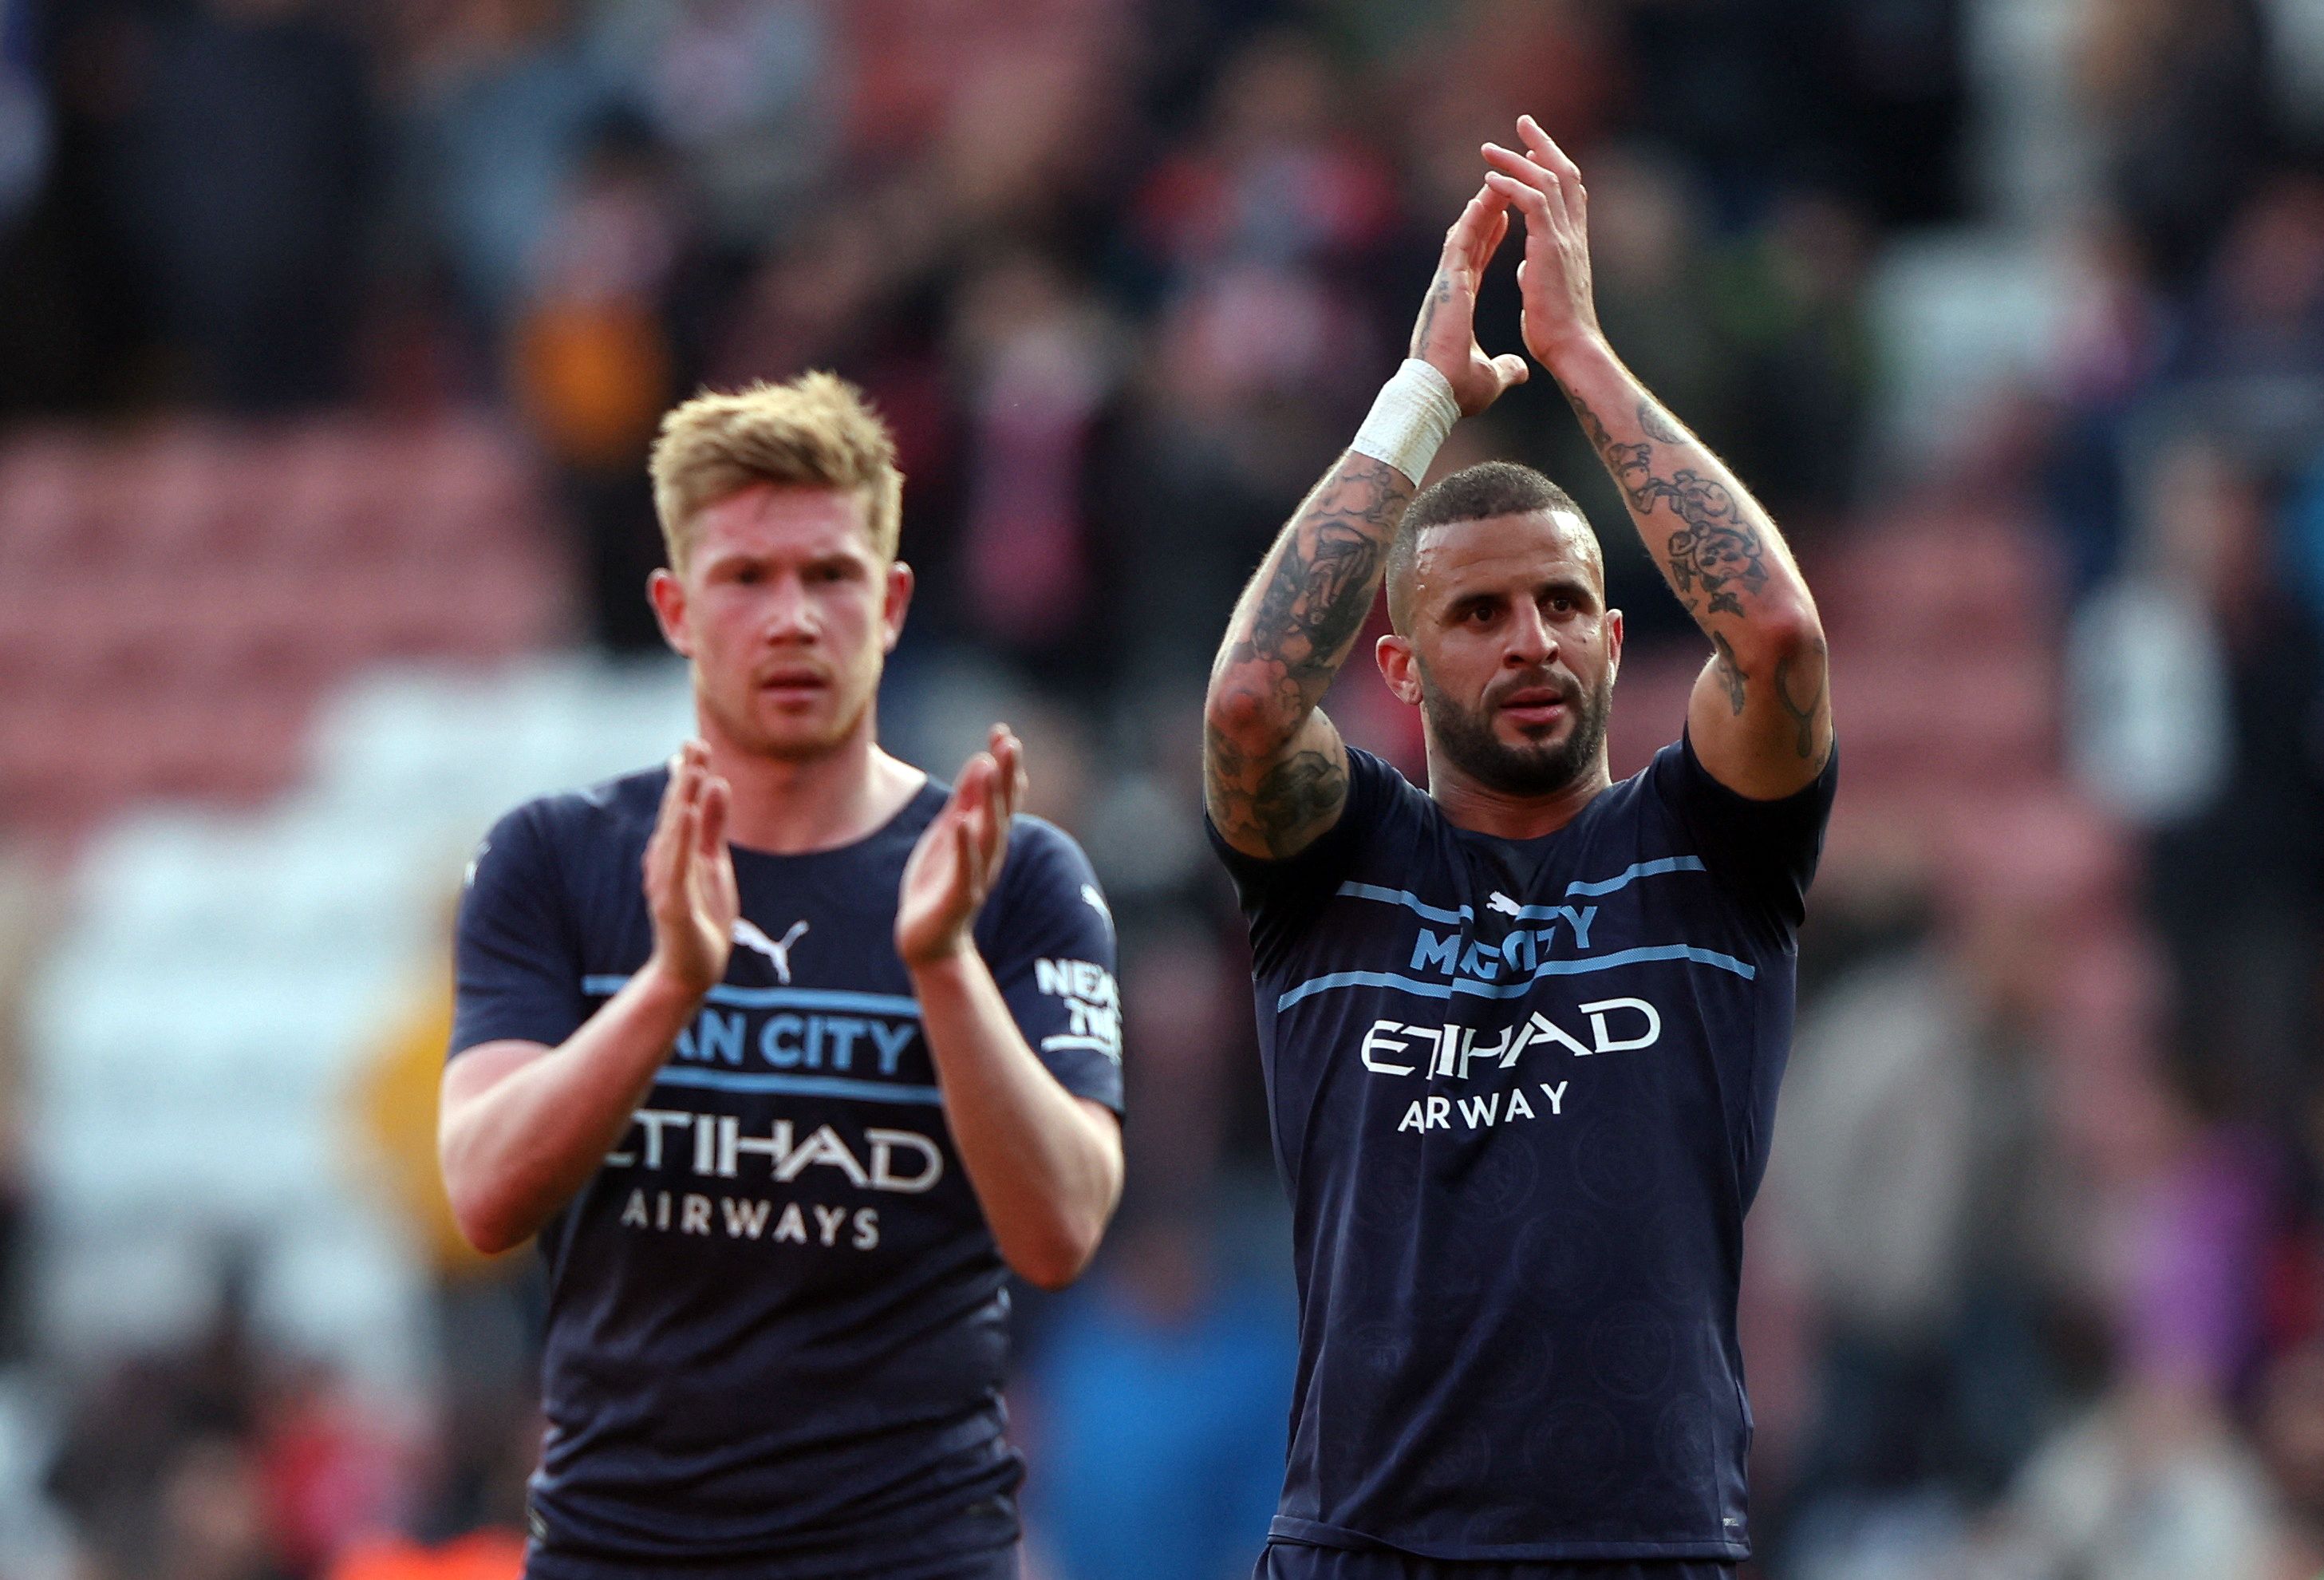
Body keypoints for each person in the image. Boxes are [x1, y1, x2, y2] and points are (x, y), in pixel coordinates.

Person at [1201, 117, 1837, 1578]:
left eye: (1560, 604)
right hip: (1363, 1543)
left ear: (1615, 641)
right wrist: (1423, 397)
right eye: (1477, 617)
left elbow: (1782, 637)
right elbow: (1245, 701)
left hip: (1644, 1543)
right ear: (1401, 668)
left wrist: (1583, 361)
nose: (1530, 639)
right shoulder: (1336, 866)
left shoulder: (1702, 848)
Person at [437, 372, 1126, 1580]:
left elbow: (1061, 1228)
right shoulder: (554, 858)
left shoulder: (1012, 874)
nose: (793, 617)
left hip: (913, 1551)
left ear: (894, 601)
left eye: (830, 576)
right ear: (672, 608)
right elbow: (486, 1194)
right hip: (620, 1549)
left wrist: (943, 966)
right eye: (745, 579)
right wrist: (666, 990)